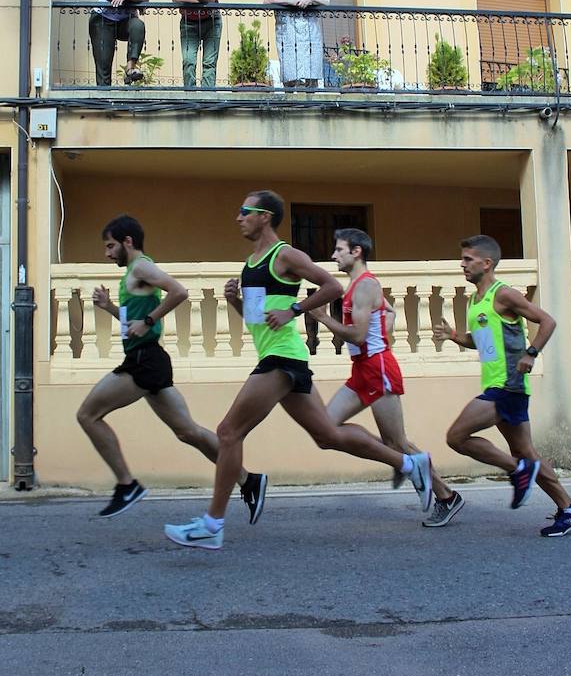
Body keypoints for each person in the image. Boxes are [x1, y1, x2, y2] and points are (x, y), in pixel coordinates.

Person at [164, 190, 433, 550]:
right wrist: (235, 302)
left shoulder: (285, 254)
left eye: (246, 211)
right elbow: (259, 319)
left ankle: (213, 524)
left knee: (228, 432)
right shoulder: (252, 263)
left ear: (265, 217)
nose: (238, 217)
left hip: (283, 358)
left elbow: (332, 285)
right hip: (279, 355)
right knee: (327, 435)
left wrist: (294, 310)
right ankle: (409, 464)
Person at [77, 214, 266, 523]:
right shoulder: (133, 273)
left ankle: (127, 484)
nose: (107, 253)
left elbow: (179, 292)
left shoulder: (141, 266)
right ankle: (248, 480)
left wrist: (150, 320)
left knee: (87, 414)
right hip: (148, 358)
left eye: (111, 246)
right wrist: (110, 308)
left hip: (143, 361)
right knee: (188, 432)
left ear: (128, 242)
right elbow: (135, 325)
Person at [433, 234, 571, 538]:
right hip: (499, 384)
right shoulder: (477, 301)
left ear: (486, 263)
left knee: (457, 436)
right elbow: (481, 342)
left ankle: (518, 472)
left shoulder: (504, 294)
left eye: (468, 259)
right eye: (462, 258)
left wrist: (532, 354)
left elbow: (547, 321)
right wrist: (454, 336)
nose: (462, 264)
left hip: (507, 385)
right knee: (526, 452)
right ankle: (570, 509)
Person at [309, 228, 465, 528]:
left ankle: (447, 497)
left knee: (397, 441)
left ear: (356, 252)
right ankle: (398, 461)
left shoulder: (366, 286)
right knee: (326, 429)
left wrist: (323, 319)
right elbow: (389, 312)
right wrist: (384, 323)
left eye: (339, 250)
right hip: (362, 368)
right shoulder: (357, 286)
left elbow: (356, 333)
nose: (333, 255)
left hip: (378, 368)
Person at [264, 0, 329, 90]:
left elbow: (326, 1)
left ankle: (312, 106)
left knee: (311, 77)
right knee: (290, 75)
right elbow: (267, 1)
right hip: (288, 36)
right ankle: (289, 105)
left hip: (310, 35)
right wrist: (289, 1)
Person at [89, 0, 153, 86]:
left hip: (124, 19)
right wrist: (135, 1)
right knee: (104, 62)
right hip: (103, 18)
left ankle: (130, 70)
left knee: (137, 25)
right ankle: (104, 97)